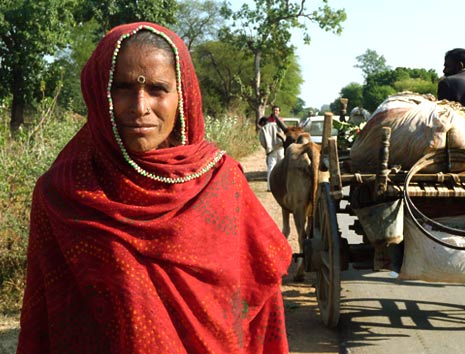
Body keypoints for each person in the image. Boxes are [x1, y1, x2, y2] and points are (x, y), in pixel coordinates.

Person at [17, 22, 292, 353]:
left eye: (158, 89)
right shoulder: (63, 195)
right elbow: (44, 319)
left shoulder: (222, 183)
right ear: (98, 91)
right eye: (121, 88)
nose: (139, 107)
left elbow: (261, 308)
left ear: (183, 94)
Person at [258, 120, 285, 192]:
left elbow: (262, 141)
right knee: (282, 167)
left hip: (271, 150)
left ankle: (270, 187)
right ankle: (282, 186)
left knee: (271, 168)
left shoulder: (264, 128)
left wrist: (267, 148)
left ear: (262, 123)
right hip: (280, 148)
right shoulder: (278, 125)